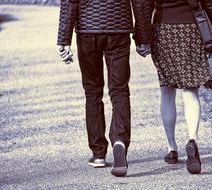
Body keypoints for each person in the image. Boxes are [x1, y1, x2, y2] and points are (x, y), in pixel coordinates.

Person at [57, 0, 151, 177]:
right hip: (119, 30)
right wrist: (143, 38)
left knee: (93, 92)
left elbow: (70, 2)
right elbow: (140, 2)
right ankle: (120, 141)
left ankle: (98, 153)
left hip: (87, 29)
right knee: (119, 90)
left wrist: (64, 39)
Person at [137, 0, 212, 174]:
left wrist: (142, 38)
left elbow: (144, 5)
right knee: (191, 89)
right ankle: (192, 140)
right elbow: (209, 3)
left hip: (163, 29)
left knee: (167, 90)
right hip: (192, 29)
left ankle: (172, 148)